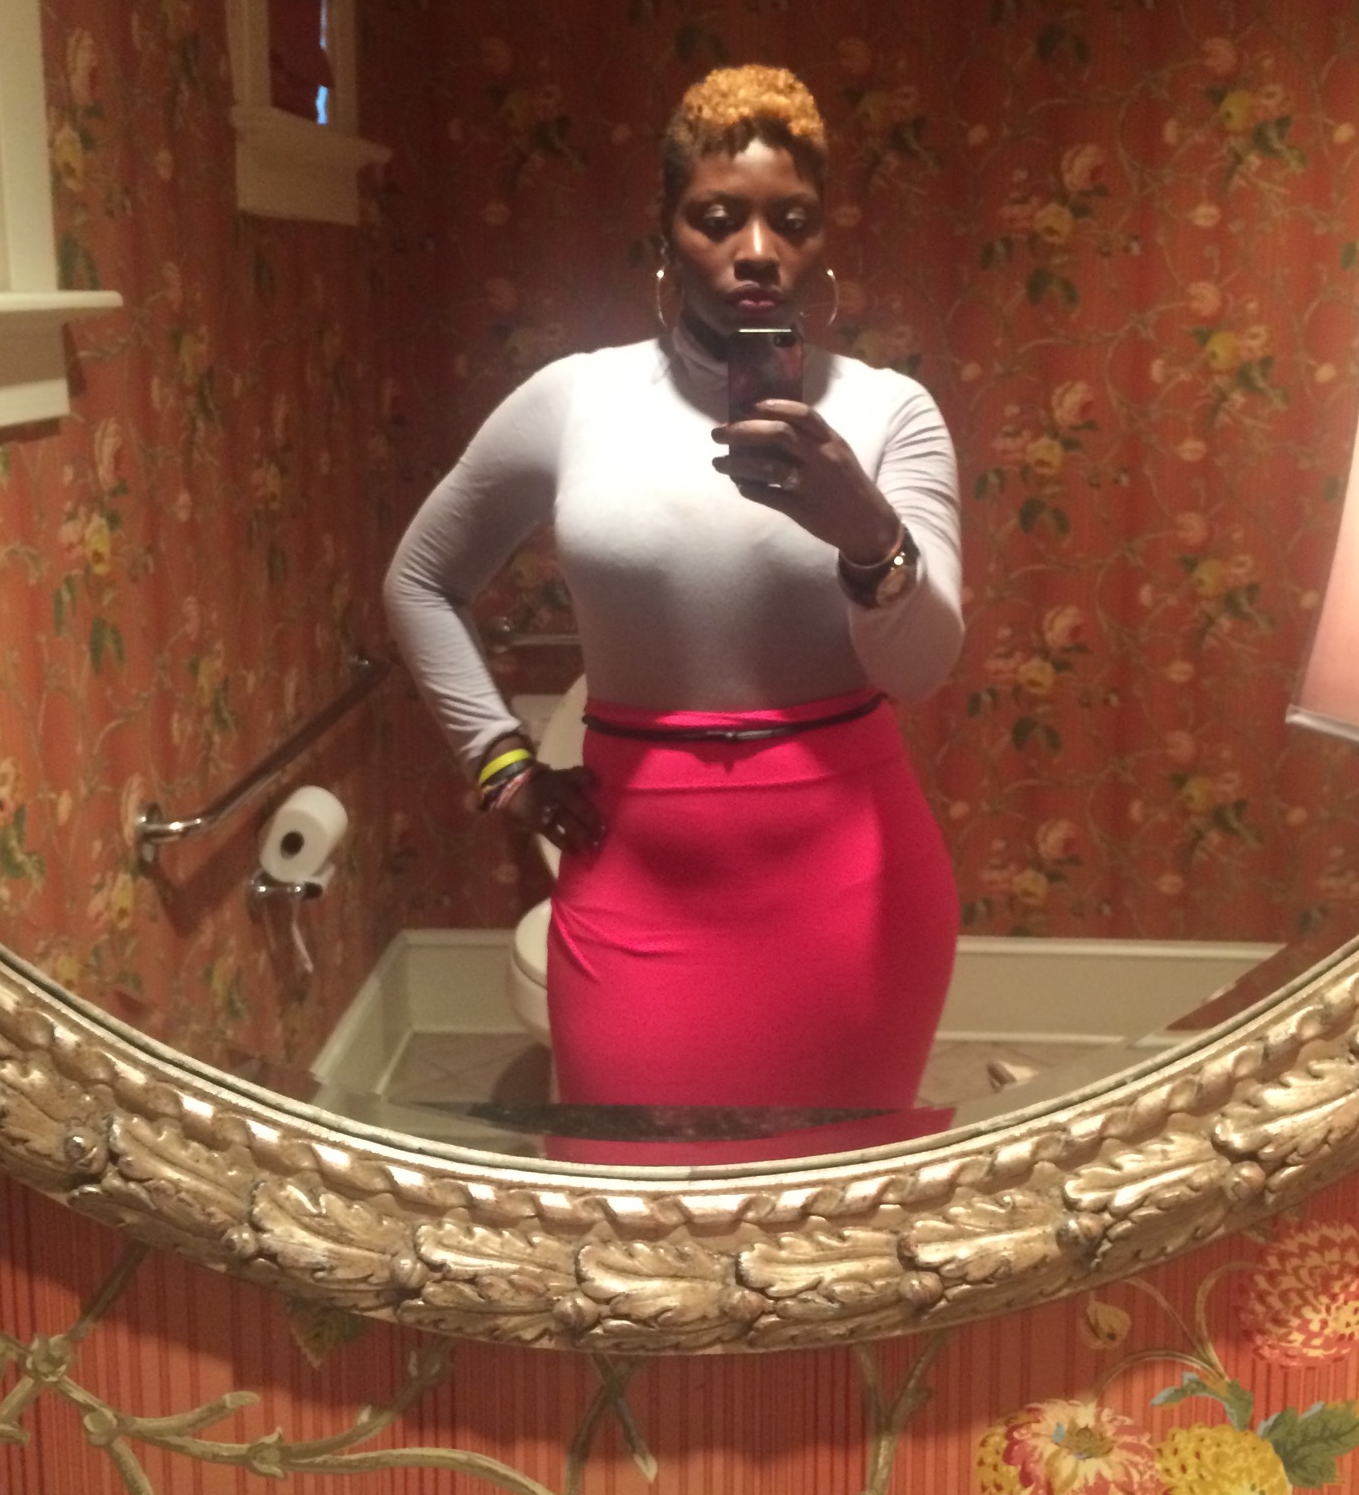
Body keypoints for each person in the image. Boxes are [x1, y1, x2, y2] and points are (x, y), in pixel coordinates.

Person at [384, 65, 963, 1111]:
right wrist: (501, 762)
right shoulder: (575, 399)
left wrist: (866, 530)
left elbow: (921, 668)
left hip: (855, 886)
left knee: (843, 1196)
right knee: (629, 1194)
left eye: (792, 220)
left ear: (823, 237)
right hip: (634, 879)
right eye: (718, 218)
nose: (758, 249)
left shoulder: (890, 413)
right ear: (666, 230)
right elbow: (420, 579)